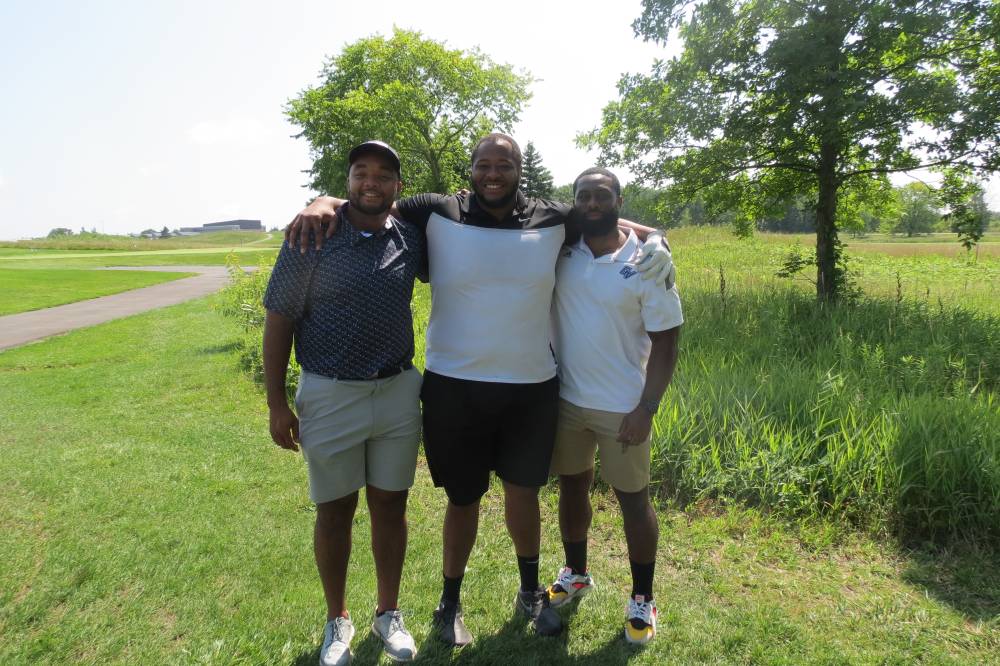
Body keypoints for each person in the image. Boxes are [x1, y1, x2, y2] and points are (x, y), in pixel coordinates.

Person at [286, 133, 674, 646]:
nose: (493, 174)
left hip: (531, 389)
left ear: (519, 170)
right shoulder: (437, 211)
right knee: (463, 499)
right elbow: (372, 198)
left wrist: (657, 237)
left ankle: (531, 592)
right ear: (470, 169)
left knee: (524, 495)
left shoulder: (553, 217)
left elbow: (607, 219)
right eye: (484, 165)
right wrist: (322, 201)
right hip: (454, 388)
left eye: (504, 165)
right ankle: (450, 603)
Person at [263, 141, 425, 665]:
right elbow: (279, 321)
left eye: (383, 174)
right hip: (330, 392)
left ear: (398, 186)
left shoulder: (410, 236)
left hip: (397, 391)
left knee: (391, 506)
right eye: (361, 173)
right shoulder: (312, 236)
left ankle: (388, 612)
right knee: (335, 511)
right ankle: (338, 619)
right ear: (348, 180)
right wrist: (276, 403)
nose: (370, 182)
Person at [545, 167, 682, 646]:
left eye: (602, 195)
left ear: (619, 201)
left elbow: (667, 342)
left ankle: (643, 598)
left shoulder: (647, 261)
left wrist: (647, 408)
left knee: (633, 500)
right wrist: (657, 230)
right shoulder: (563, 249)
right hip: (567, 400)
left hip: (624, 408)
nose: (592, 203)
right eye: (583, 195)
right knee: (571, 487)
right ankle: (576, 572)